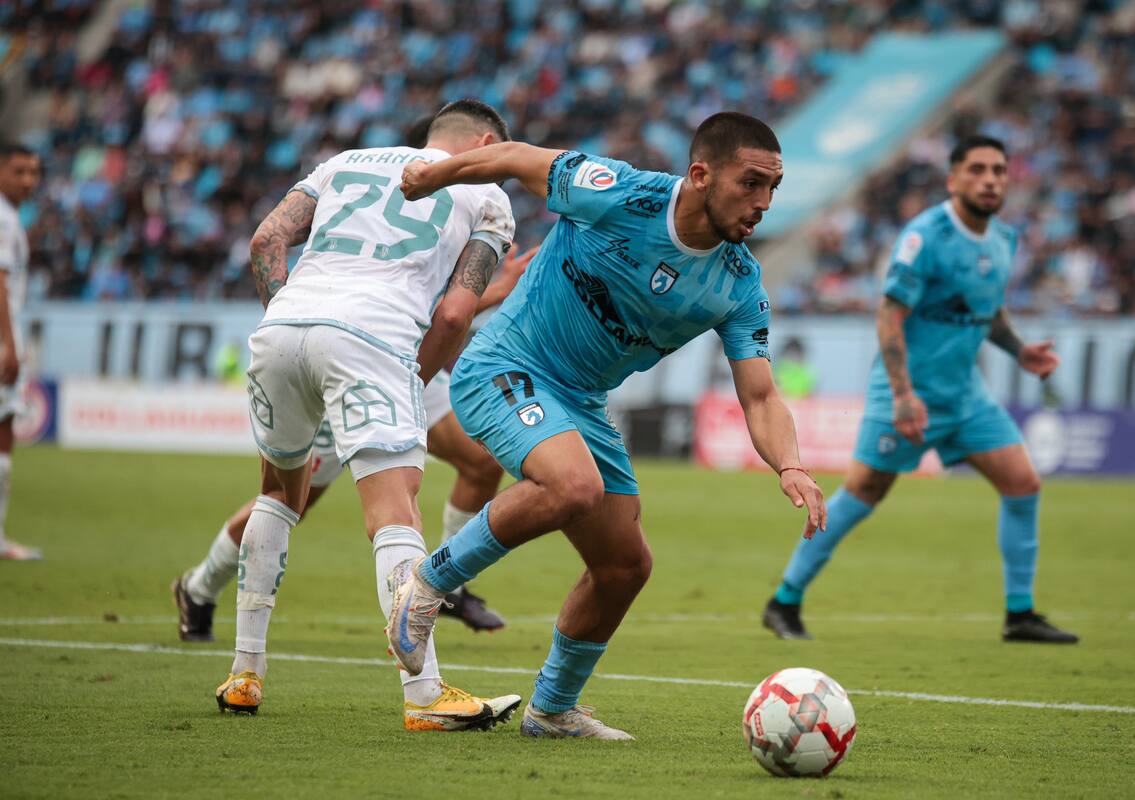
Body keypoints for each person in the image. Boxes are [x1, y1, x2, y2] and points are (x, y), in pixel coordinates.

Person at [390, 111, 828, 740]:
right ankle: (427, 586)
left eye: (772, 189)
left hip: (582, 402)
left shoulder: (738, 283)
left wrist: (790, 464)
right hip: (506, 365)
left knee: (625, 565)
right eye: (750, 183)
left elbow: (759, 396)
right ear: (701, 175)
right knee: (573, 488)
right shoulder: (620, 191)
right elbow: (514, 156)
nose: (762, 203)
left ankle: (551, 710)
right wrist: (435, 175)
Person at [213, 99, 525, 730]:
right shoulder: (488, 196)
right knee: (394, 510)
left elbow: (266, 239)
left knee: (279, 493)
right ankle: (425, 695)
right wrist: (411, 378)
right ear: (486, 142)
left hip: (284, 325)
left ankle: (245, 673)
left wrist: (288, 313)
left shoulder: (342, 163)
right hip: (372, 338)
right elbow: (456, 315)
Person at [763, 135, 1078, 645]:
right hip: (904, 393)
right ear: (953, 180)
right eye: (977, 170)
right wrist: (905, 393)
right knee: (863, 494)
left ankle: (1020, 614)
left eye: (998, 170)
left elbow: (986, 309)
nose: (991, 179)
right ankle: (784, 600)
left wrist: (1019, 351)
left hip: (965, 395)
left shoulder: (1004, 240)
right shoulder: (926, 236)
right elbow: (890, 313)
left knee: (1023, 484)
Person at [172, 243, 531, 642]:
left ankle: (447, 587)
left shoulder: (435, 201)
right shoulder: (393, 202)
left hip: (403, 360)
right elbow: (433, 311)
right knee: (290, 500)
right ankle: (198, 587)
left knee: (480, 461)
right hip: (348, 356)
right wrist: (497, 292)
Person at [0, 143, 41, 561]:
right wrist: (9, 346)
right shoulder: (4, 219)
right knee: (4, 430)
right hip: (1, 340)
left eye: (34, 172)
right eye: (18, 171)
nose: (28, 180)